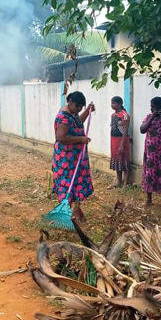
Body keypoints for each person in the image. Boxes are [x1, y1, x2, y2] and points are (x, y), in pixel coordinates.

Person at [52, 91, 95, 222]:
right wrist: (80, 139)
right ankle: (65, 213)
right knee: (67, 183)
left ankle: (76, 210)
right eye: (78, 106)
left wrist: (87, 111)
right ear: (70, 102)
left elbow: (77, 123)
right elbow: (61, 137)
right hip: (66, 159)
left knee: (77, 182)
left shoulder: (73, 114)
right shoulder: (63, 117)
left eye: (81, 107)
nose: (79, 109)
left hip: (77, 157)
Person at [109, 96, 131, 188]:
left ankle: (125, 182)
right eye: (111, 103)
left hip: (122, 140)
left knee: (124, 158)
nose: (111, 105)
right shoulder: (113, 115)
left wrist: (122, 144)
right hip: (114, 139)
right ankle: (118, 181)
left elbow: (125, 131)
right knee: (117, 159)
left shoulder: (124, 115)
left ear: (119, 104)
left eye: (113, 103)